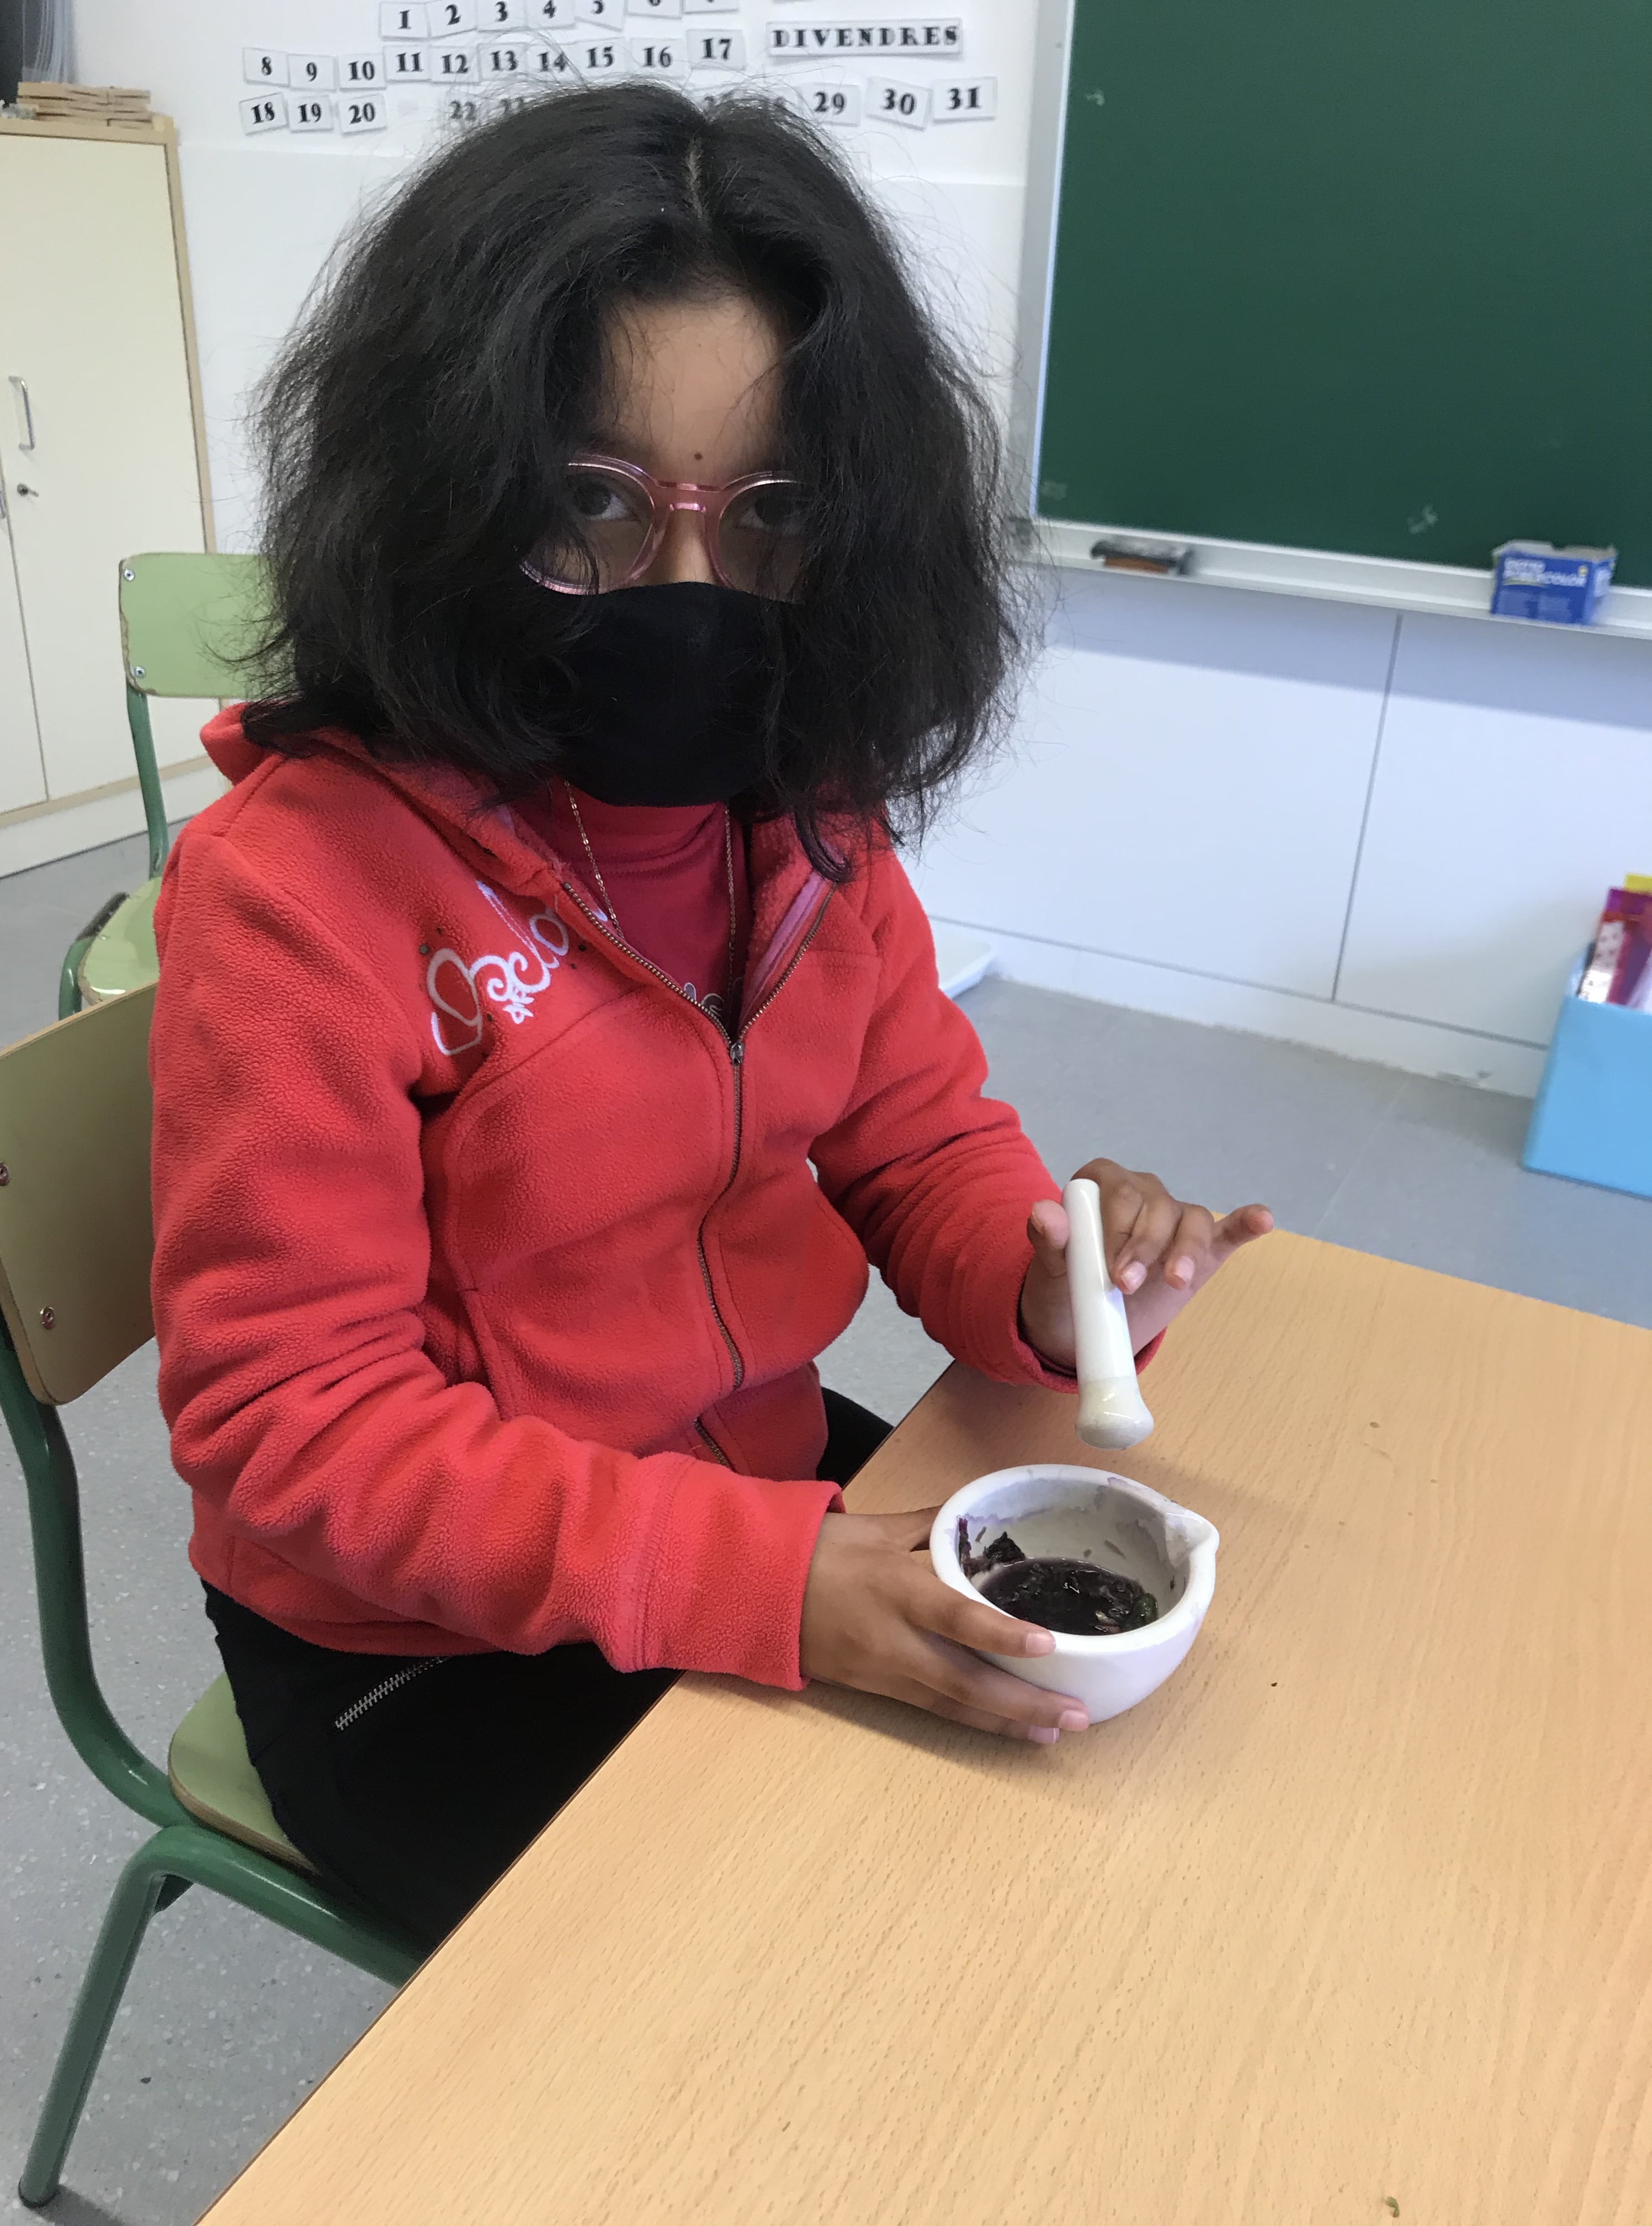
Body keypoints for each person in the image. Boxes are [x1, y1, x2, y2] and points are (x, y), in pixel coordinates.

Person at [150, 82, 1272, 1952]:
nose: (689, 585)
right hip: (419, 1640)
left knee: (1123, 1846)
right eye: (591, 502)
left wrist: (1051, 1282)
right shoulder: (299, 888)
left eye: (774, 515)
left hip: (749, 1474)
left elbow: (918, 1137)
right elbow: (296, 1427)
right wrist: (759, 1581)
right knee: (839, 1977)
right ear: (446, 489)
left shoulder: (806, 817)